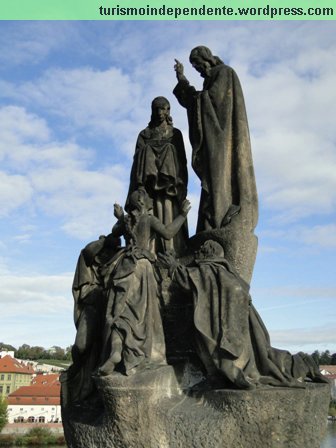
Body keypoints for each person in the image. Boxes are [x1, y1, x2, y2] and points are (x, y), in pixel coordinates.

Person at [159, 240, 328, 390]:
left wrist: (173, 265)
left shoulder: (209, 270)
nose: (197, 253)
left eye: (201, 250)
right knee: (264, 359)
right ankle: (302, 365)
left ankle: (300, 365)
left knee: (241, 359)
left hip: (227, 331)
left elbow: (190, 280)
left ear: (208, 253)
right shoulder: (230, 274)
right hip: (242, 331)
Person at [173, 46, 258, 283]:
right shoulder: (212, 78)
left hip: (222, 143)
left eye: (198, 65)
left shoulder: (224, 73)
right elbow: (199, 102)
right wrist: (182, 80)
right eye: (195, 67)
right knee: (210, 184)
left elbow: (211, 104)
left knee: (220, 182)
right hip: (214, 142)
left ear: (207, 59)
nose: (198, 70)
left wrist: (195, 95)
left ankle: (219, 219)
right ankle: (211, 221)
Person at [98, 188, 191, 376]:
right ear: (142, 203)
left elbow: (115, 233)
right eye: (148, 198)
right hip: (142, 266)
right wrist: (182, 214)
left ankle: (116, 352)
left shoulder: (126, 220)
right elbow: (168, 233)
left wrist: (120, 217)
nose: (151, 200)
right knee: (142, 316)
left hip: (125, 266)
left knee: (120, 313)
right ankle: (139, 354)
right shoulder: (149, 219)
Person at [127, 96, 188, 255]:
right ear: (152, 111)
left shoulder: (175, 134)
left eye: (164, 108)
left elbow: (182, 161)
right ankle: (149, 249)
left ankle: (169, 250)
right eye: (157, 109)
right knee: (145, 151)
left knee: (169, 149)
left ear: (168, 110)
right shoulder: (144, 134)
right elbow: (137, 159)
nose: (161, 112)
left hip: (169, 186)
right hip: (148, 188)